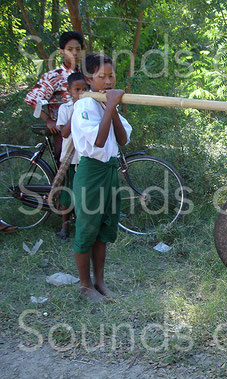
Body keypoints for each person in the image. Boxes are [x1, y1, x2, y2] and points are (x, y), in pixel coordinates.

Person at [71, 53, 131, 302]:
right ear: (89, 79)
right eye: (101, 77)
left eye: (111, 76)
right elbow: (97, 140)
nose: (107, 81)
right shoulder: (84, 105)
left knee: (104, 228)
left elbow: (122, 139)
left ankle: (100, 281)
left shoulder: (106, 104)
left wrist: (113, 108)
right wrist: (109, 106)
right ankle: (85, 286)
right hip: (91, 173)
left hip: (109, 172)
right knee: (87, 229)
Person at [24, 31, 84, 163]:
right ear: (61, 52)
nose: (74, 53)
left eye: (78, 49)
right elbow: (32, 99)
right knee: (64, 168)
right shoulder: (55, 76)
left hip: (81, 129)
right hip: (62, 131)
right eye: (69, 49)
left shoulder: (84, 75)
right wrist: (48, 120)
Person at [54, 72, 88, 239]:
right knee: (67, 193)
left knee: (83, 194)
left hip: (85, 158)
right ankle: (65, 226)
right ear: (70, 91)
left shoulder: (91, 106)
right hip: (70, 158)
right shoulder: (66, 108)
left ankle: (83, 226)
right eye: (77, 90)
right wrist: (77, 109)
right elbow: (65, 133)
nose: (81, 93)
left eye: (84, 89)